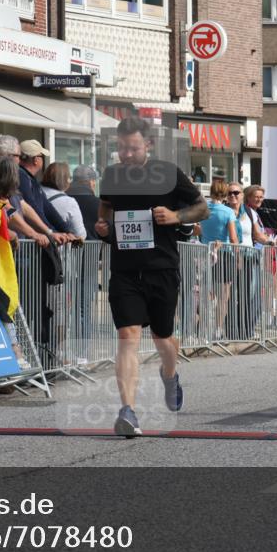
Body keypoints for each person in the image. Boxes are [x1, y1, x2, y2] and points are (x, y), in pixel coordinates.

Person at [94, 117, 208, 437]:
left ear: (148, 145)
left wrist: (175, 216)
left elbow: (202, 209)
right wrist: (102, 227)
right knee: (127, 336)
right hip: (125, 270)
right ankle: (128, 411)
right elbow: (105, 211)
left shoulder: (167, 174)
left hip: (162, 268)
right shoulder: (113, 175)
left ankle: (170, 375)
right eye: (121, 148)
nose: (126, 155)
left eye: (133, 148)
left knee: (163, 339)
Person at [200, 178, 239, 339]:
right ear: (225, 193)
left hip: (204, 253)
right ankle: (217, 330)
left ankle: (202, 330)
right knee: (223, 296)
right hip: (223, 255)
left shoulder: (203, 209)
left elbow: (198, 230)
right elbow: (233, 238)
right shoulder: (228, 212)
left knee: (205, 294)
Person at [40, 162, 87, 239]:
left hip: (28, 248)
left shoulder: (34, 192)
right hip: (57, 248)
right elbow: (80, 234)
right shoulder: (69, 202)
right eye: (69, 178)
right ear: (65, 180)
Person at [67, 164, 100, 239]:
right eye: (94, 181)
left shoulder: (65, 199)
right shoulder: (99, 204)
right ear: (90, 182)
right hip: (94, 248)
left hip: (68, 248)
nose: (94, 184)